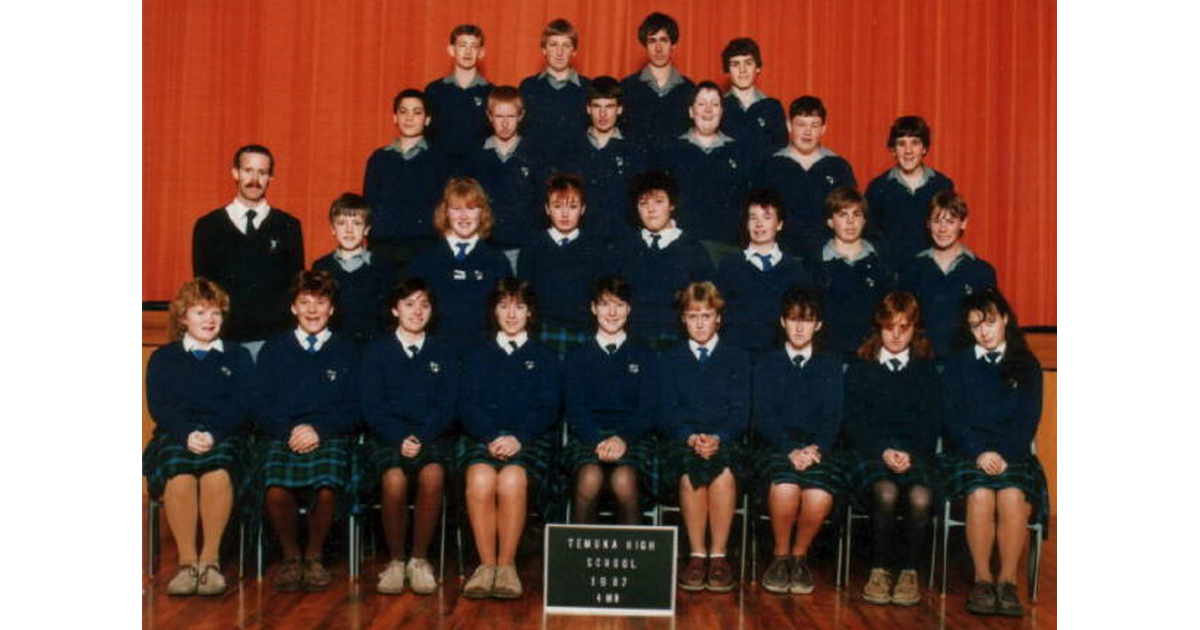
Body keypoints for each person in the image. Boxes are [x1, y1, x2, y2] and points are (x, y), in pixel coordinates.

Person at [144, 278, 254, 596]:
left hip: (224, 435)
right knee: (179, 474)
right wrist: (186, 434)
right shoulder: (164, 357)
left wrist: (214, 434)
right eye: (200, 312)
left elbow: (244, 404)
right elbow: (160, 406)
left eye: (216, 313)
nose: (209, 320)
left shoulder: (238, 355)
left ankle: (210, 562)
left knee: (217, 473)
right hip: (177, 436)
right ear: (183, 318)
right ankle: (187, 564)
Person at [255, 270, 360, 593]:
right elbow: (260, 405)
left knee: (327, 487)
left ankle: (314, 557)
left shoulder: (348, 350)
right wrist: (291, 431)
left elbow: (356, 407)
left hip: (328, 436)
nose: (313, 310)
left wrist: (320, 431)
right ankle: (291, 559)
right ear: (293, 308)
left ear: (332, 308)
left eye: (321, 302)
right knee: (275, 488)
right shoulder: (274, 349)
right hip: (284, 435)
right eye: (305, 302)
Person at [457, 278, 562, 599]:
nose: (511, 314)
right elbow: (466, 404)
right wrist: (490, 437)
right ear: (494, 311)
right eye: (504, 306)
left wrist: (520, 438)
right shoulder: (477, 354)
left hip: (528, 441)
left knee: (512, 480)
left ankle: (506, 566)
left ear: (530, 312)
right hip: (484, 438)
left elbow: (549, 407)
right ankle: (486, 565)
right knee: (480, 478)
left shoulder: (544, 356)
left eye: (519, 307)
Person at [943, 288, 1045, 618]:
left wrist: (1003, 454)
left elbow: (1028, 419)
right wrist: (979, 453)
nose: (984, 332)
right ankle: (983, 581)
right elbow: (953, 417)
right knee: (981, 495)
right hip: (970, 453)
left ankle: (1007, 583)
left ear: (1005, 319)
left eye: (989, 322)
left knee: (1013, 496)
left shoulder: (1026, 364)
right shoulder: (959, 364)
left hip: (1012, 453)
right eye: (975, 325)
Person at [360, 277, 458, 595]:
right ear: (395, 309)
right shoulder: (377, 352)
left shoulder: (443, 351)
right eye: (409, 304)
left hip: (431, 436)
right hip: (388, 437)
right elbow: (372, 406)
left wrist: (422, 437)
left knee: (433, 476)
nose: (417, 311)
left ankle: (418, 559)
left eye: (424, 305)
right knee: (394, 480)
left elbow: (447, 405)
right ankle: (396, 561)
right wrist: (400, 436)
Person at [843, 291, 941, 606]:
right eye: (889, 327)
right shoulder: (861, 369)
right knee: (885, 492)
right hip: (871, 454)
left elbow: (931, 424)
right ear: (879, 328)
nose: (896, 335)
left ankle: (909, 572)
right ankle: (879, 570)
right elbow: (854, 423)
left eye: (904, 327)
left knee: (920, 496)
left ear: (915, 329)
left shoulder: (926, 372)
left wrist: (909, 454)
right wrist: (883, 451)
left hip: (915, 454)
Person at [659, 282, 750, 593]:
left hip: (725, 439)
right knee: (691, 476)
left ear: (718, 318)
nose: (699, 323)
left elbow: (741, 411)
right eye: (692, 316)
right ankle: (697, 556)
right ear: (683, 319)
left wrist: (718, 437)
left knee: (723, 475)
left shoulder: (737, 358)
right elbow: (666, 409)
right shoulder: (670, 359)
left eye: (706, 316)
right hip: (684, 441)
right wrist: (689, 437)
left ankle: (719, 557)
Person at [752, 287, 843, 596]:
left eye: (807, 320)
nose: (800, 327)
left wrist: (816, 449)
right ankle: (780, 557)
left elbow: (833, 415)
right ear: (782, 322)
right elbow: (763, 415)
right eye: (793, 319)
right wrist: (789, 449)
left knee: (818, 495)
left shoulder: (830, 364)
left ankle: (799, 557)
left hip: (817, 449)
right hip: (778, 446)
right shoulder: (767, 363)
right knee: (786, 488)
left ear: (818, 325)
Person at [561, 275, 659, 524]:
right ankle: (581, 549)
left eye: (619, 304)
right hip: (588, 437)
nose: (612, 313)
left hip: (633, 438)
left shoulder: (646, 355)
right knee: (589, 478)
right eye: (605, 304)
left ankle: (631, 549)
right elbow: (574, 410)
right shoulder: (576, 356)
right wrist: (597, 441)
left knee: (623, 479)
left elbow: (648, 410)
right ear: (593, 308)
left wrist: (622, 438)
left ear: (629, 309)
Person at [192, 144, 304, 359]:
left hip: (273, 345)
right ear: (235, 173)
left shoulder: (288, 226)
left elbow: (295, 289)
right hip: (224, 342)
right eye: (248, 170)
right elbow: (203, 290)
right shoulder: (208, 226)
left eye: (262, 172)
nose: (255, 179)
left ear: (270, 178)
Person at [406, 177, 512, 357]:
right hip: (434, 353)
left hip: (483, 355)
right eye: (456, 208)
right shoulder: (424, 259)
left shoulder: (497, 261)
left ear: (482, 212)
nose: (464, 216)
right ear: (446, 212)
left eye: (471, 208)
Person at [611, 169, 714, 351]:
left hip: (678, 344)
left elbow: (708, 305)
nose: (651, 209)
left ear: (672, 205)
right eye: (643, 203)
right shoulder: (624, 249)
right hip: (632, 343)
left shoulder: (693, 250)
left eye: (658, 201)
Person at [516, 173, 610, 356]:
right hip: (542, 331)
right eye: (557, 206)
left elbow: (600, 297)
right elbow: (524, 296)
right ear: (547, 209)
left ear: (582, 209)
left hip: (584, 331)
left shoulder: (595, 248)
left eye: (572, 207)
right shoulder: (533, 246)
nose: (565, 214)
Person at [656, 80, 751, 261]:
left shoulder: (739, 152)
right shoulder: (671, 150)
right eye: (701, 104)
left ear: (721, 112)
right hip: (681, 247)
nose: (708, 110)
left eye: (714, 104)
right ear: (691, 111)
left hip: (727, 247)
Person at [899, 190, 998, 361]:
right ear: (928, 224)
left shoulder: (981, 271)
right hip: (922, 362)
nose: (942, 229)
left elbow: (990, 326)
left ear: (963, 223)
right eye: (936, 221)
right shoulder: (912, 269)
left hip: (965, 363)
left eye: (950, 222)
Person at [362, 88, 452, 271]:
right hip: (383, 248)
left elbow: (444, 208)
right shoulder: (379, 158)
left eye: (417, 112)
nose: (409, 118)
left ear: (427, 119)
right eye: (403, 112)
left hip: (424, 249)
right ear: (395, 117)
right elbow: (369, 204)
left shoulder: (440, 160)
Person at [754, 96, 857, 255]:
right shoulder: (771, 166)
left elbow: (851, 216)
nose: (807, 132)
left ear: (823, 128)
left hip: (827, 256)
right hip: (781, 256)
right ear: (789, 126)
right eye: (801, 124)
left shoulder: (838, 167)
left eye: (814, 125)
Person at [715, 189, 812, 356]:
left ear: (779, 224)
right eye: (753, 218)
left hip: (779, 358)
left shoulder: (796, 270)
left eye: (767, 217)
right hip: (737, 355)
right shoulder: (729, 265)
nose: (759, 224)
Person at [462, 86, 548, 271]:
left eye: (511, 116)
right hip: (483, 247)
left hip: (523, 249)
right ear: (489, 116)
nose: (505, 123)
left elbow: (542, 204)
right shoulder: (475, 155)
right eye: (499, 116)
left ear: (521, 116)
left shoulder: (535, 155)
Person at [558, 76, 650, 244]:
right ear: (588, 109)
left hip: (624, 240)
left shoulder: (635, 150)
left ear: (619, 109)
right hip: (581, 241)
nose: (602, 114)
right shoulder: (571, 149)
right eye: (596, 106)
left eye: (609, 106)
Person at [810, 187, 895, 360]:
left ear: (864, 220)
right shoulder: (815, 265)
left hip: (871, 357)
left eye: (856, 214)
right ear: (830, 221)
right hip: (828, 356)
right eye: (843, 215)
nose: (850, 222)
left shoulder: (880, 263)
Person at [864, 116, 955, 263]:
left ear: (924, 148)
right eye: (901, 144)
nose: (908, 151)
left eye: (915, 143)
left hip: (930, 269)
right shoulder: (878, 187)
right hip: (891, 270)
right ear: (893, 149)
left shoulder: (942, 185)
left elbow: (949, 231)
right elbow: (869, 237)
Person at [312, 193, 396, 344]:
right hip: (333, 347)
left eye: (357, 223)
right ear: (332, 228)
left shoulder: (383, 266)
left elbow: (387, 318)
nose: (349, 230)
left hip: (371, 347)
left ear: (367, 229)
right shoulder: (321, 267)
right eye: (342, 223)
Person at [620, 12, 695, 153]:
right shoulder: (627, 87)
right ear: (645, 45)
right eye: (652, 41)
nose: (658, 49)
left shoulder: (690, 88)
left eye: (664, 40)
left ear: (673, 44)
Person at [519, 18, 590, 165]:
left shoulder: (588, 88)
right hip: (536, 167)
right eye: (553, 45)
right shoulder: (528, 87)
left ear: (574, 51)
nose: (559, 52)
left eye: (566, 45)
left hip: (576, 168)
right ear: (544, 50)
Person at [425, 24, 492, 167]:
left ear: (481, 53)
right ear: (451, 50)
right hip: (440, 168)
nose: (468, 51)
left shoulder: (491, 92)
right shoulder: (434, 90)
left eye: (474, 46)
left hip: (479, 169)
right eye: (462, 45)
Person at [718, 37, 786, 167]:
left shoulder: (772, 108)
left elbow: (781, 153)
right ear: (727, 71)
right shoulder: (718, 107)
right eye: (735, 64)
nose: (742, 70)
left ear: (758, 67)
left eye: (748, 63)